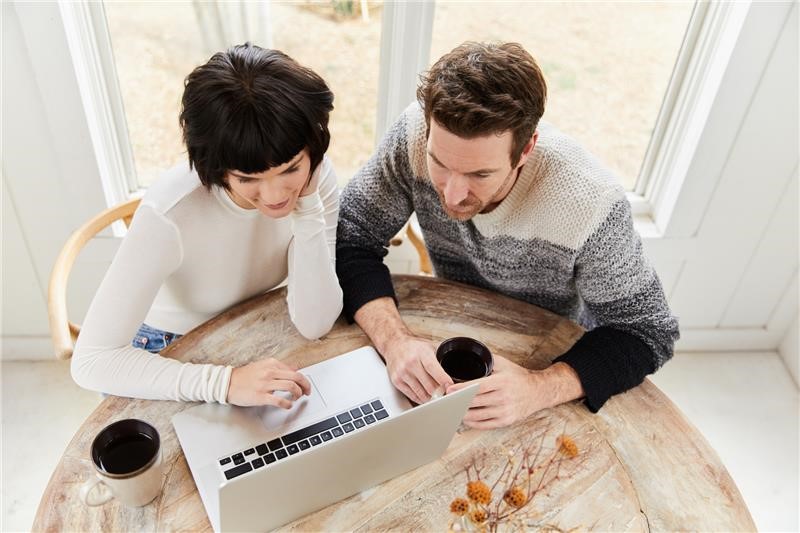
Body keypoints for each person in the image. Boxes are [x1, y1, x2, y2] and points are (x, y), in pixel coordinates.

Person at [336, 41, 679, 429]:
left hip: (551, 355)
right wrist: (395, 342)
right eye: (439, 163)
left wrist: (540, 387)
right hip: (451, 324)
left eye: (479, 175)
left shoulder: (591, 203)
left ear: (526, 149)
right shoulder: (413, 136)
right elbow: (351, 238)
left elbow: (648, 331)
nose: (450, 194)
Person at [72, 44, 343, 408]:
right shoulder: (171, 213)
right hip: (163, 353)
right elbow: (92, 361)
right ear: (216, 167)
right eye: (249, 178)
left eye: (291, 168)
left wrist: (309, 209)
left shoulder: (317, 180)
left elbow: (316, 323)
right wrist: (224, 382)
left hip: (248, 332)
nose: (276, 194)